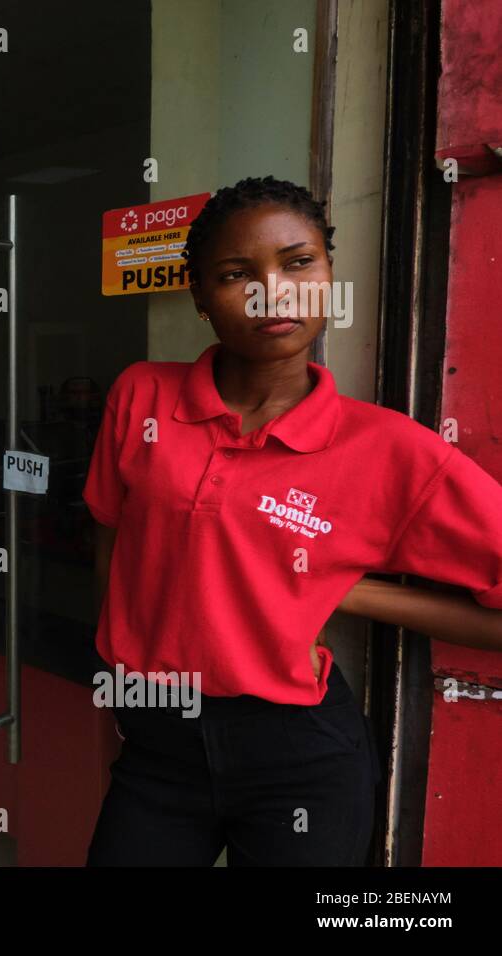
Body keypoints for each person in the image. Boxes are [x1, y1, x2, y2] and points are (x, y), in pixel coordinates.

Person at [82, 175, 502, 866]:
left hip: (298, 760)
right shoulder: (142, 396)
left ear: (330, 278)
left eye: (299, 262)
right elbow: (114, 547)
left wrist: (341, 590)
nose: (272, 291)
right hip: (157, 748)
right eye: (235, 273)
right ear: (199, 296)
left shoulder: (390, 450)